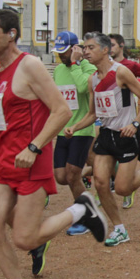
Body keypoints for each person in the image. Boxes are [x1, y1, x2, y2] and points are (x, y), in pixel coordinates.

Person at [0, 9, 108, 279]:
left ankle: (81, 209)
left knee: (26, 240)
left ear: (11, 33)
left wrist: (34, 146)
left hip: (31, 159)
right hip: (4, 158)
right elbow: (7, 117)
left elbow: (60, 111)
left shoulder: (27, 65)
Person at [68, 32, 140, 247]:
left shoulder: (120, 73)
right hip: (107, 135)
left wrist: (135, 124)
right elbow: (92, 114)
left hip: (126, 135)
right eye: (85, 47)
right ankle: (119, 229)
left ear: (105, 50)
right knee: (100, 183)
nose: (86, 51)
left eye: (90, 47)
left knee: (123, 189)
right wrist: (75, 126)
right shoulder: (93, 80)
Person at [51, 31, 97, 235]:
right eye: (59, 52)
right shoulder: (58, 70)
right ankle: (89, 200)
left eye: (65, 52)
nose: (61, 56)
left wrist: (76, 64)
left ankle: (87, 215)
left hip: (82, 129)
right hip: (63, 129)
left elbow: (82, 87)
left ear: (75, 49)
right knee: (61, 176)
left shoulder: (89, 67)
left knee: (72, 175)